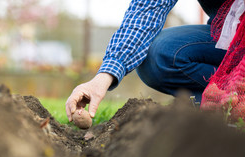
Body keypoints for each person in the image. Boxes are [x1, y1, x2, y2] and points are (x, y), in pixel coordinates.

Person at [66, 0, 229, 122]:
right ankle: (223, 105)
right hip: (229, 39)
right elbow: (146, 10)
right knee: (157, 54)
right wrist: (104, 77)